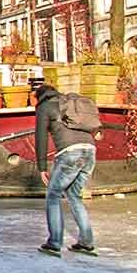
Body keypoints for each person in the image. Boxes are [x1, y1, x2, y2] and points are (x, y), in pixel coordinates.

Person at [35, 85, 99, 257]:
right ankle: (86, 242)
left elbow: (40, 137)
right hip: (90, 150)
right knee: (74, 197)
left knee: (53, 196)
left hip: (70, 153)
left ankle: (54, 243)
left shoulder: (45, 106)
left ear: (39, 97)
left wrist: (41, 168)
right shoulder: (71, 103)